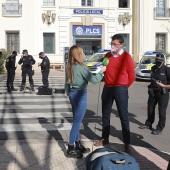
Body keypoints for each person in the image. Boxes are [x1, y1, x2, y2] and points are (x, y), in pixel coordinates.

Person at [94, 34, 135, 153]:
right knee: (105, 115)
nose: (112, 46)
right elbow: (104, 69)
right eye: (111, 44)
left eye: (115, 44)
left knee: (123, 116)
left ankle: (127, 143)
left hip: (120, 88)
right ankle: (105, 138)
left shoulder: (126, 57)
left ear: (121, 45)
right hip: (107, 88)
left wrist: (123, 87)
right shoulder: (107, 55)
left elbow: (132, 76)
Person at [65, 45, 106, 158]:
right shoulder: (82, 67)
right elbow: (93, 80)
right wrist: (101, 72)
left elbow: (66, 83)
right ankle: (70, 147)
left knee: (76, 120)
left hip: (73, 93)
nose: (83, 54)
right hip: (81, 95)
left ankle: (78, 144)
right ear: (79, 55)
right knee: (77, 122)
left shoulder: (69, 66)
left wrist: (69, 93)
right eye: (82, 52)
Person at [140, 53, 170, 135]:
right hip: (153, 92)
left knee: (161, 112)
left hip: (162, 93)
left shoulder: (167, 70)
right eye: (157, 60)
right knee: (150, 109)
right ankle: (148, 123)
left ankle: (160, 128)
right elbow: (152, 80)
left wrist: (164, 86)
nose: (158, 62)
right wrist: (150, 88)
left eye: (160, 61)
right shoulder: (153, 68)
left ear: (163, 61)